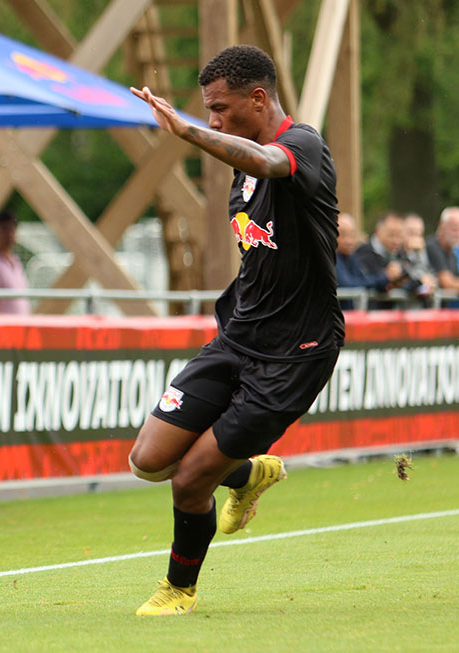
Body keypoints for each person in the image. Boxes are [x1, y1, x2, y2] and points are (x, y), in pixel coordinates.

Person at [128, 45, 343, 616]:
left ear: (258, 98)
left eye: (220, 109)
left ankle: (179, 589)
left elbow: (268, 162)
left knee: (189, 482)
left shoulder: (304, 145)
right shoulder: (238, 171)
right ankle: (249, 475)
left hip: (294, 353)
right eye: (207, 111)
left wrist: (189, 132)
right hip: (236, 339)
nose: (214, 120)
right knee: (148, 460)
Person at [335, 212, 390, 310]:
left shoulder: (352, 257)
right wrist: (379, 281)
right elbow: (346, 283)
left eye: (351, 235)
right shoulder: (331, 257)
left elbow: (363, 279)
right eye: (342, 235)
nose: (348, 240)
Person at [426, 206, 459, 306]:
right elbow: (447, 283)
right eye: (454, 229)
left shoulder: (451, 251)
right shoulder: (432, 246)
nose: (458, 234)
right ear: (441, 226)